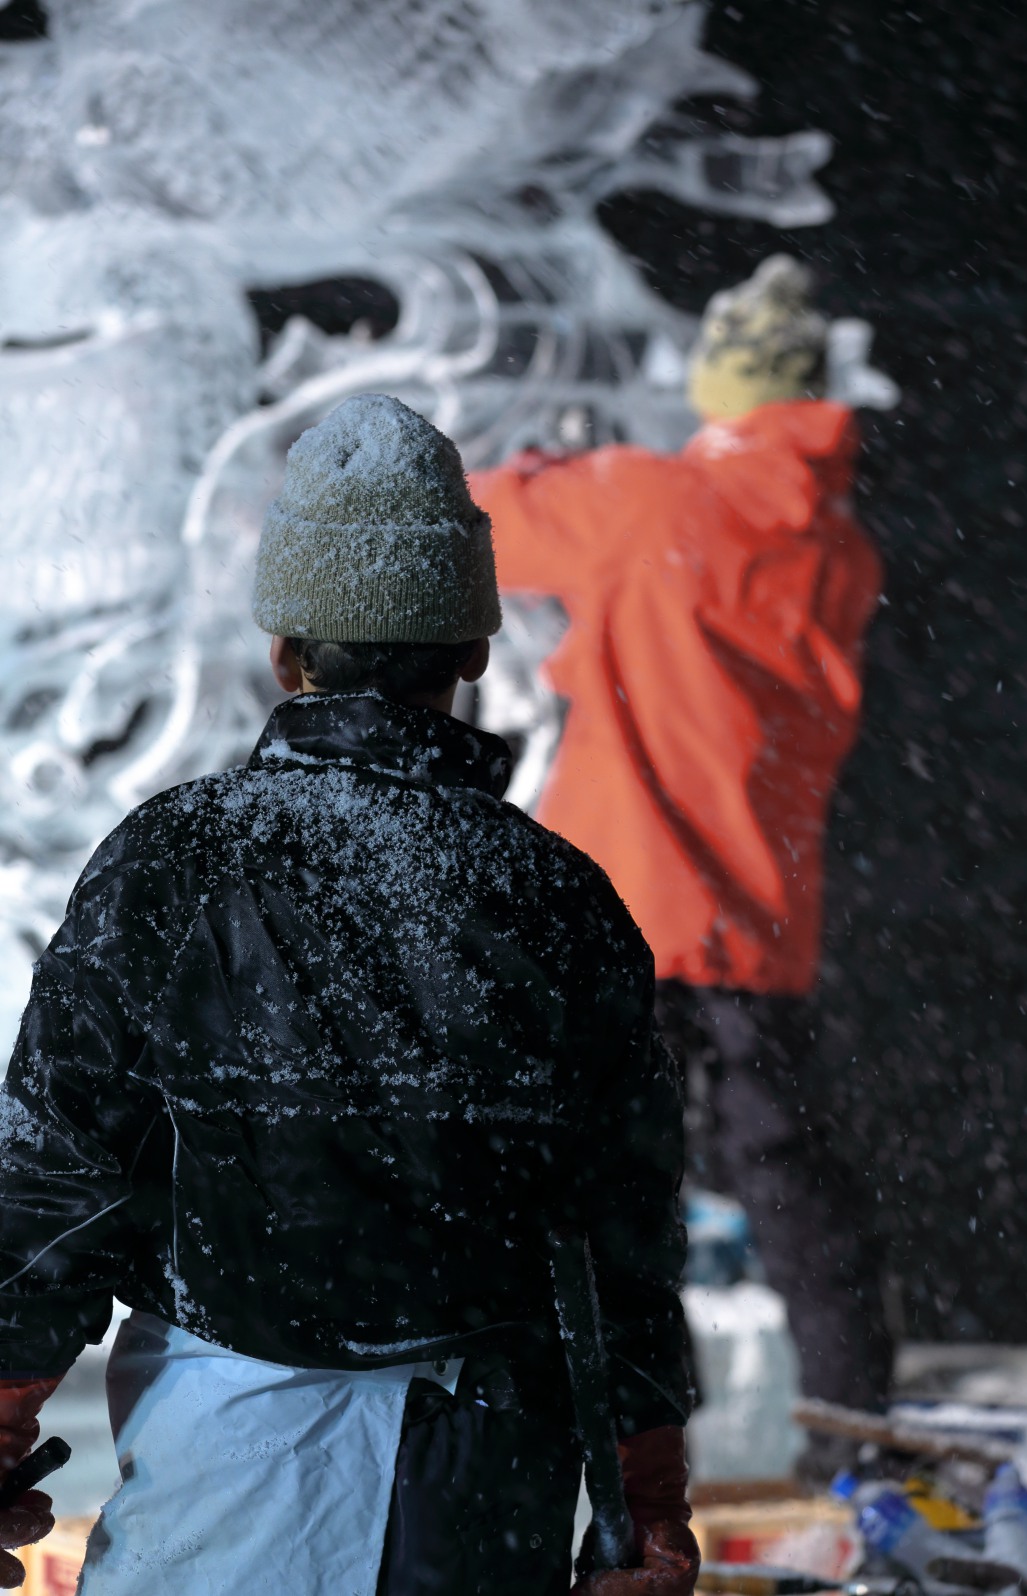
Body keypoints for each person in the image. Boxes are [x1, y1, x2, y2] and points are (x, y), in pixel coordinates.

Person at [0, 396, 699, 1594]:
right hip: (482, 1476)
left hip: (227, 1463)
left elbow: (58, 1176)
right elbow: (618, 1235)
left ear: (286, 652)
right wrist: (644, 1505)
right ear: (474, 652)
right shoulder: (555, 896)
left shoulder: (179, 858)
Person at [468, 258, 894, 1428]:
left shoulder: (649, 502)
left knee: (604, 1177)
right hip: (758, 911)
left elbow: (476, 519)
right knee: (790, 1171)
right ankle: (856, 1416)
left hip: (625, 904)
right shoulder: (839, 550)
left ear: (719, 385)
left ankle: (641, 1418)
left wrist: (536, 465)